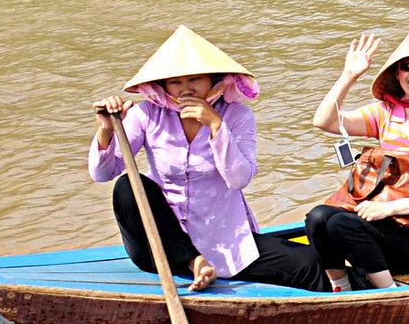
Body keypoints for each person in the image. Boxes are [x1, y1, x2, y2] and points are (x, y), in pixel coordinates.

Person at [89, 25, 323, 292]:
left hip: (222, 240)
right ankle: (193, 261)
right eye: (175, 82)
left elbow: (239, 180)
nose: (185, 90)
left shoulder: (238, 116)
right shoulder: (146, 115)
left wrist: (215, 124)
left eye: (194, 81)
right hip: (161, 244)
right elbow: (102, 174)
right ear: (164, 86)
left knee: (307, 263)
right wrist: (106, 129)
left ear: (213, 81)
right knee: (128, 186)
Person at [305, 33, 409, 290]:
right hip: (384, 224)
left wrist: (388, 209)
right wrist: (349, 76)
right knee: (318, 217)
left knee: (342, 223)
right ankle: (341, 287)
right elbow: (324, 121)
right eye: (408, 66)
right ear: (397, 73)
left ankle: (389, 293)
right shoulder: (385, 113)